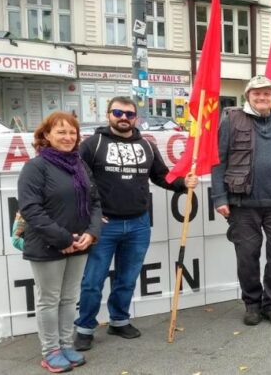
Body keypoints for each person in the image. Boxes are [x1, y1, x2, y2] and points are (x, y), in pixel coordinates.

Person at [74, 97, 197, 351]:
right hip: (104, 226)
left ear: (136, 118)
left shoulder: (147, 145)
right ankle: (85, 327)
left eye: (129, 114)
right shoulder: (93, 144)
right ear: (108, 114)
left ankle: (119, 320)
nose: (123, 117)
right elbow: (76, 181)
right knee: (92, 281)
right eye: (118, 112)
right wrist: (90, 215)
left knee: (127, 278)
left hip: (139, 223)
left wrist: (183, 184)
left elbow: (162, 176)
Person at [212, 75, 271, 327]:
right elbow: (219, 160)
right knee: (247, 255)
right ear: (247, 96)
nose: (262, 97)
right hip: (243, 204)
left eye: (267, 94)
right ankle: (252, 303)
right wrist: (219, 197)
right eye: (257, 93)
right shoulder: (231, 120)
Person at [18, 112, 102, 372]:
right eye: (61, 132)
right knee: (49, 300)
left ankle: (66, 345)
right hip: (47, 245)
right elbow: (31, 209)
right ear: (46, 135)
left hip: (79, 243)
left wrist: (92, 232)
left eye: (72, 133)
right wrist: (63, 238)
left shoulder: (79, 164)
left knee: (68, 299)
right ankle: (50, 350)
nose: (67, 137)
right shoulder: (36, 167)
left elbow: (95, 202)